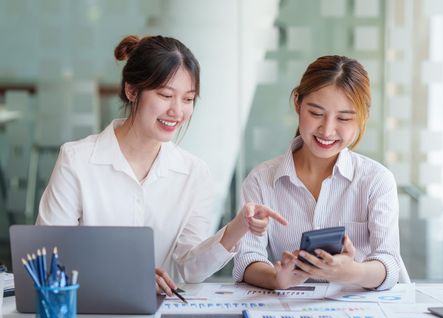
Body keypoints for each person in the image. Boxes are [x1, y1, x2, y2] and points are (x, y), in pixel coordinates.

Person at [36, 35, 287, 295]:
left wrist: (238, 228)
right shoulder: (77, 160)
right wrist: (126, 276)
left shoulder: (194, 173)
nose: (177, 112)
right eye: (166, 95)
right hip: (86, 313)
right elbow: (47, 259)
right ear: (132, 90)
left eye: (188, 99)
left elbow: (191, 269)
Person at [233, 55, 400, 291]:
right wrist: (276, 279)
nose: (327, 129)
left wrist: (354, 272)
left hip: (359, 310)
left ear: (363, 118)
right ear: (297, 103)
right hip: (287, 312)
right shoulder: (261, 180)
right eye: (316, 113)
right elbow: (247, 258)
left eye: (343, 118)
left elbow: (389, 262)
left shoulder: (376, 180)